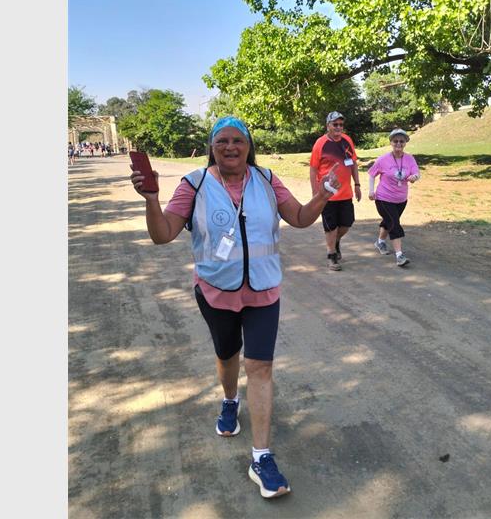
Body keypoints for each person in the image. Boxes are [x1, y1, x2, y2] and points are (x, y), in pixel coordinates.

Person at [130, 116, 340, 499]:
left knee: (259, 367)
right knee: (227, 355)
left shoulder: (267, 180)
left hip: (263, 291)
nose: (230, 147)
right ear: (212, 147)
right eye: (222, 141)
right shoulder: (194, 184)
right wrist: (151, 199)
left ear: (248, 145)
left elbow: (298, 217)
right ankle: (230, 400)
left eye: (237, 140)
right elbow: (162, 235)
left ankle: (261, 457)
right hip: (216, 292)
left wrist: (323, 195)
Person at [309, 111, 362, 270]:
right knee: (331, 227)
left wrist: (357, 184)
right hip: (327, 194)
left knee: (346, 223)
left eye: (341, 124)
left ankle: (335, 242)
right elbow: (313, 169)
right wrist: (315, 191)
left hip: (345, 193)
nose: (339, 127)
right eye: (335, 124)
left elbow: (353, 163)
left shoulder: (347, 140)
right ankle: (331, 255)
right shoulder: (320, 143)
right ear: (328, 126)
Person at [367, 128, 421, 267]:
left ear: (405, 143)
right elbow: (372, 174)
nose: (398, 144)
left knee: (389, 221)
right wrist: (371, 191)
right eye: (395, 141)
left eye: (401, 141)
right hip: (383, 198)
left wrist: (414, 177)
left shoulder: (409, 158)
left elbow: (416, 173)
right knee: (394, 223)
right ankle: (399, 256)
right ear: (391, 142)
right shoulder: (383, 159)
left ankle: (380, 242)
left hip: (401, 199)